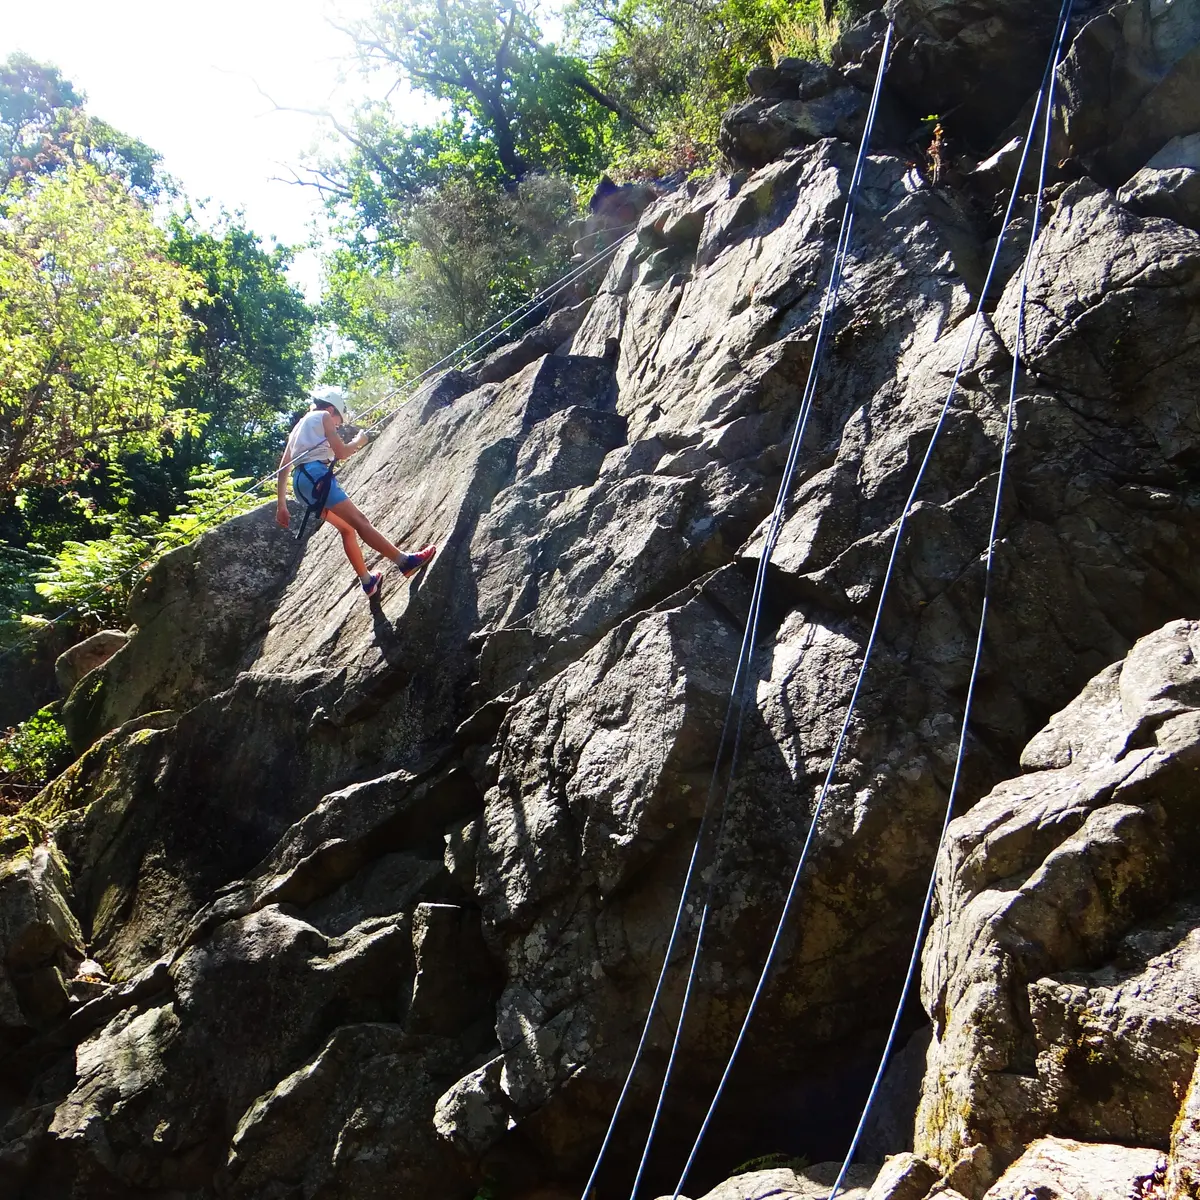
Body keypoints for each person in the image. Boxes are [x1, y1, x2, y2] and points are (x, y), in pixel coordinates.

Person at [275, 386, 436, 597]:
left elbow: (283, 469)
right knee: (360, 521)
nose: (337, 426)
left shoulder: (298, 429)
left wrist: (281, 505)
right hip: (316, 476)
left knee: (347, 529)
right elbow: (341, 453)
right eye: (338, 422)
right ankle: (405, 562)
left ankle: (368, 581)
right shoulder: (323, 416)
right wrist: (358, 442)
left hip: (301, 485)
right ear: (332, 410)